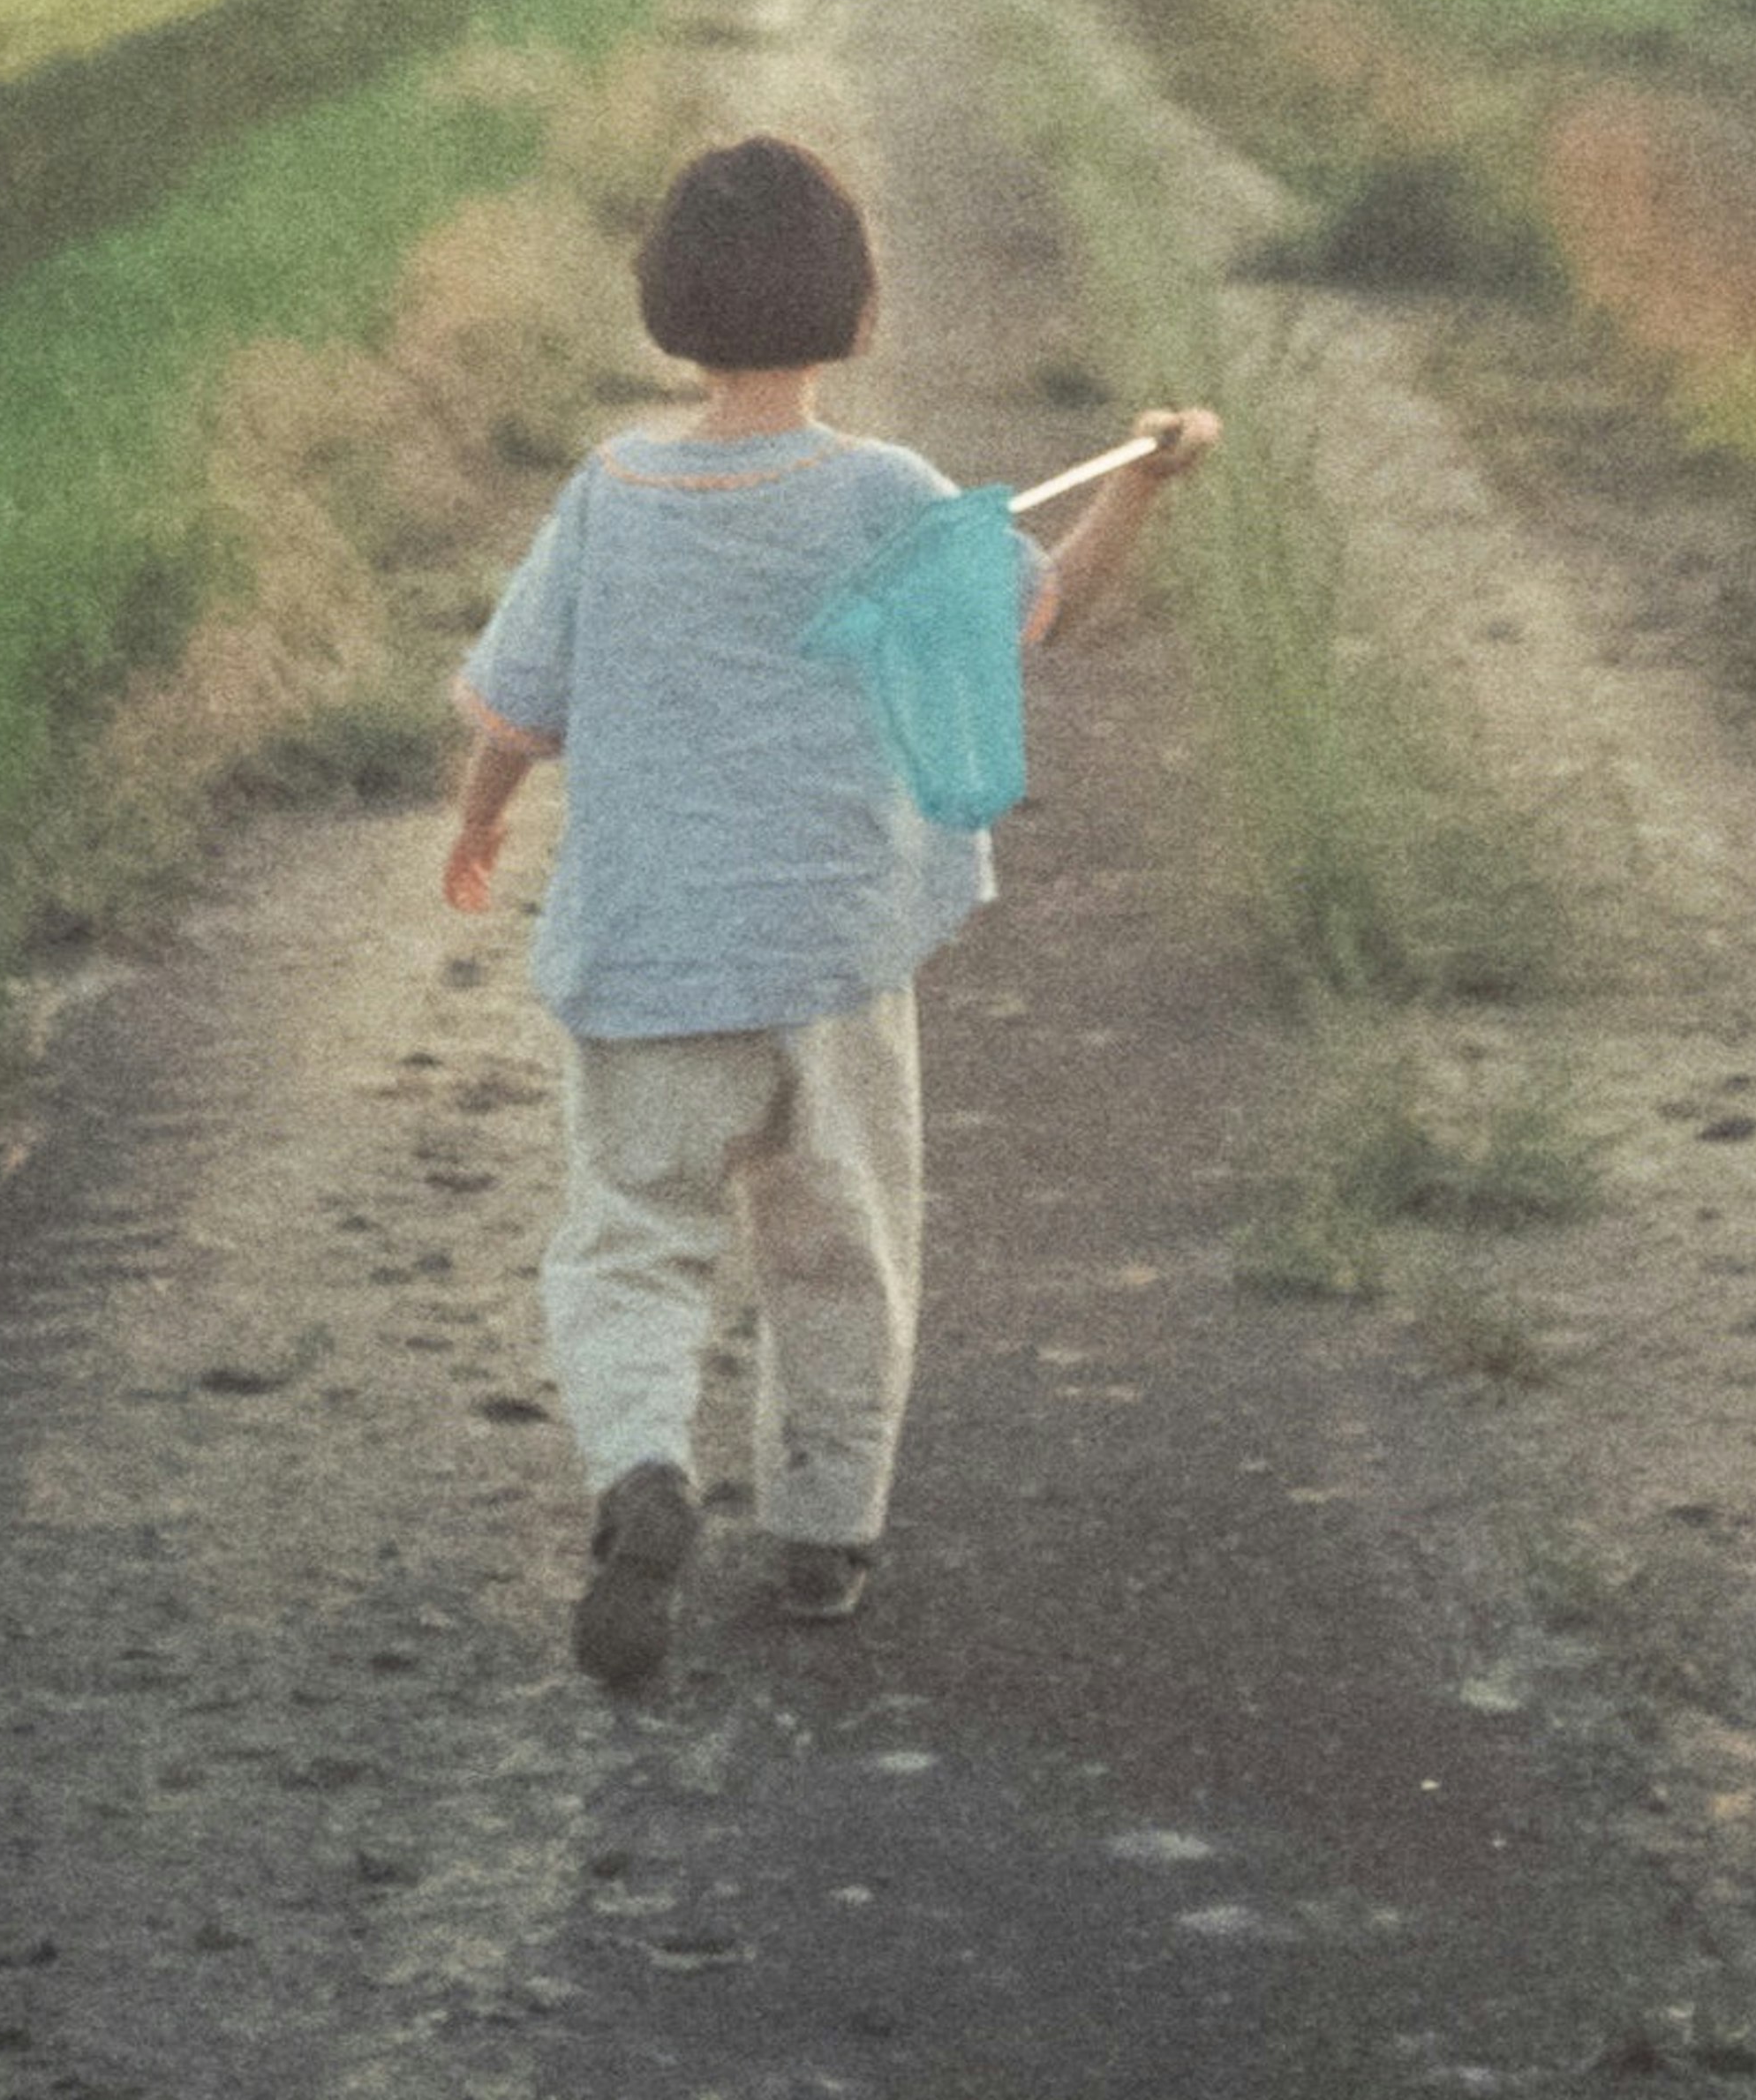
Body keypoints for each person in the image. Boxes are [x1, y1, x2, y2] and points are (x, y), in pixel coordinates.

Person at [441, 128, 1217, 1695]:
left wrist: (478, 820)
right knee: (841, 1245)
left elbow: (519, 708)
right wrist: (1146, 478)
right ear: (862, 313)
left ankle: (646, 1469)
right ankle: (823, 1533)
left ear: (664, 305)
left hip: (653, 956)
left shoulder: (613, 492)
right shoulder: (887, 494)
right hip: (832, 961)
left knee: (631, 1240)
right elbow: (1042, 606)